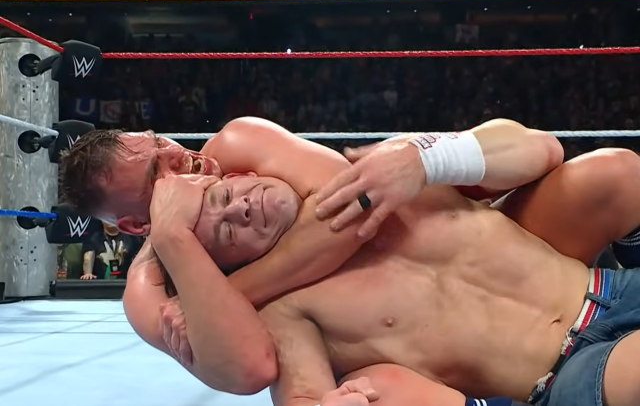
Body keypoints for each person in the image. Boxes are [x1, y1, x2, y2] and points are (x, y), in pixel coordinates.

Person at [60, 117, 562, 394]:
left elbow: (357, 210)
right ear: (134, 225)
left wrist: (227, 295)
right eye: (157, 174)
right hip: (392, 360)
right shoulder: (149, 291)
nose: (179, 157)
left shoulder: (236, 145)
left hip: (474, 263)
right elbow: (249, 368)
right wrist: (174, 239)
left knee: (597, 178)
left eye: (159, 142)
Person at [154, 145, 640, 406]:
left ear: (237, 176)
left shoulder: (382, 169)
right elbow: (304, 395)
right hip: (570, 372)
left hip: (615, 288)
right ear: (227, 265)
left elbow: (536, 146)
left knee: (620, 169)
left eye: (224, 198)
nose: (239, 209)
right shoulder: (284, 312)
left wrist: (428, 158)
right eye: (227, 233)